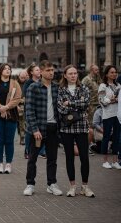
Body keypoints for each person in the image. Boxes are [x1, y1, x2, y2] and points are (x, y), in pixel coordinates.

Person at [23, 60, 63, 196]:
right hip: (38, 129)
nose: (51, 73)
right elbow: (29, 110)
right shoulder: (33, 87)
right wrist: (35, 129)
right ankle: (30, 184)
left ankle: (51, 183)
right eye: (48, 70)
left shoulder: (57, 87)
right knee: (32, 158)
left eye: (52, 70)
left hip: (53, 127)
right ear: (41, 71)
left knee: (52, 158)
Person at [57, 65, 95, 197]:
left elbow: (85, 104)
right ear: (65, 75)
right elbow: (61, 108)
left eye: (75, 73)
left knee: (84, 157)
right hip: (66, 129)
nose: (73, 75)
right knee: (69, 158)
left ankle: (85, 186)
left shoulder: (83, 88)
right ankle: (72, 186)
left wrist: (70, 104)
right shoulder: (61, 90)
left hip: (82, 127)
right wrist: (76, 106)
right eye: (70, 73)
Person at [0, 63, 21, 174]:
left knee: (9, 140)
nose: (7, 70)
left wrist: (6, 107)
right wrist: (0, 108)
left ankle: (8, 164)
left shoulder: (15, 83)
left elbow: (17, 98)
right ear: (1, 71)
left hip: (11, 114)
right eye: (5, 69)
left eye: (9, 69)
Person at [98, 65, 121, 169]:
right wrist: (113, 100)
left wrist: (113, 100)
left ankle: (115, 161)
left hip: (118, 114)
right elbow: (102, 100)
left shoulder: (119, 86)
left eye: (115, 72)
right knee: (106, 137)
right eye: (112, 72)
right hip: (107, 115)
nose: (114, 74)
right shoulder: (103, 86)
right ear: (107, 74)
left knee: (117, 137)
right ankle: (105, 161)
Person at [23, 63, 46, 159]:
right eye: (37, 70)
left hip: (41, 109)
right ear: (31, 72)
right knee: (30, 131)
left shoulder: (43, 82)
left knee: (43, 129)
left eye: (39, 70)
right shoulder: (28, 83)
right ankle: (27, 150)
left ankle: (42, 151)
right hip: (31, 110)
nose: (39, 71)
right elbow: (26, 95)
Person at [82, 64, 102, 153]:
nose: (97, 71)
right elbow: (81, 90)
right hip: (90, 105)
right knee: (90, 125)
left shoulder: (98, 79)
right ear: (91, 70)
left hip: (98, 105)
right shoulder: (86, 79)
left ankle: (93, 143)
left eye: (98, 70)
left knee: (95, 125)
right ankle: (87, 145)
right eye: (96, 70)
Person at [17, 70, 29, 146]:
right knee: (20, 123)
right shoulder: (15, 84)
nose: (23, 79)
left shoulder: (27, 83)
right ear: (19, 76)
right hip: (18, 105)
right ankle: (21, 136)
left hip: (26, 105)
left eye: (24, 77)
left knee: (23, 122)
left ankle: (23, 137)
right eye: (22, 77)